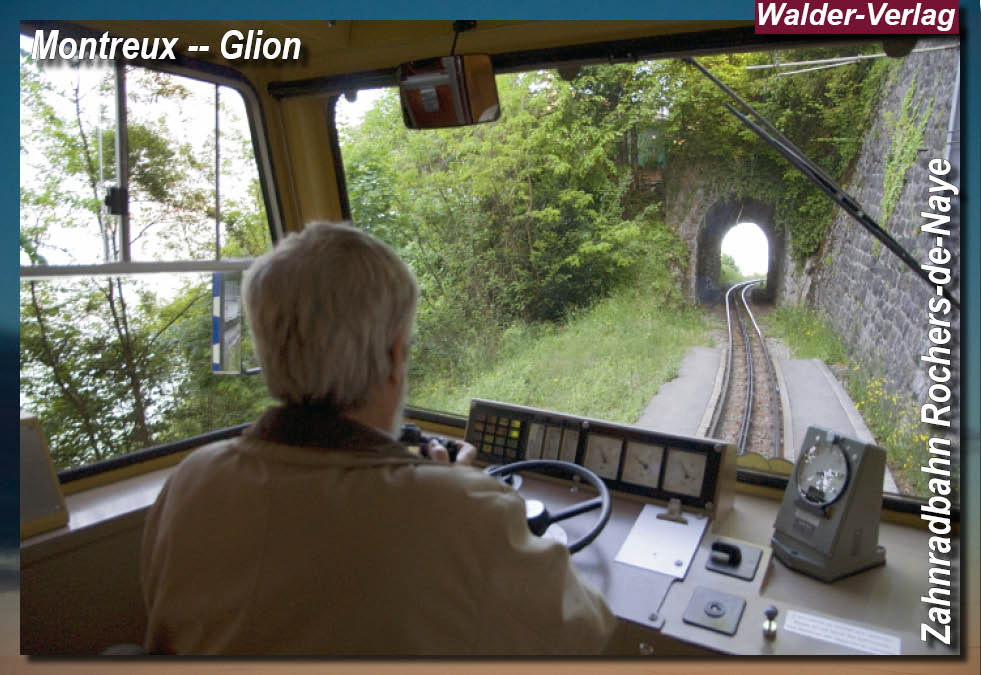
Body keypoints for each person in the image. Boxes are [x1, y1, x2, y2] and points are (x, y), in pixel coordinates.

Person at [141, 221, 616, 655]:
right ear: (393, 355)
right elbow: (587, 633)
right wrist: (460, 494)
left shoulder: (191, 480)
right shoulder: (461, 512)